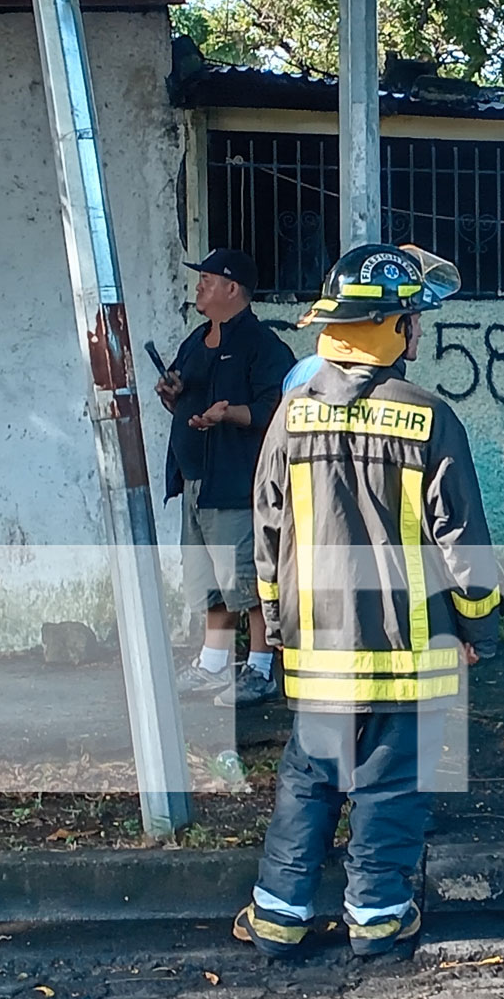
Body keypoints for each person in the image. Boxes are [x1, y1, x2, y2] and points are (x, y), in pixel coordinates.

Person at [234, 243, 499, 958]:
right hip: (410, 651)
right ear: (395, 329)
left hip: (318, 644)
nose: (418, 330)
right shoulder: (429, 416)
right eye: (412, 317)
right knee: (391, 786)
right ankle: (378, 919)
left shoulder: (290, 416)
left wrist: (280, 629)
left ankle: (278, 918)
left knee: (309, 781)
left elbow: (265, 531)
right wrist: (479, 626)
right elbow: (463, 539)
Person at [157, 249, 295, 707]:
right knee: (208, 581)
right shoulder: (196, 341)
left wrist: (229, 414)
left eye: (208, 280)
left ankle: (260, 668)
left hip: (236, 483)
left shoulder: (264, 346)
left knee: (246, 582)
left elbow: (277, 409)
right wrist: (173, 394)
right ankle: (214, 664)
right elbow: (184, 401)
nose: (199, 287)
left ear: (232, 289)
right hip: (195, 480)